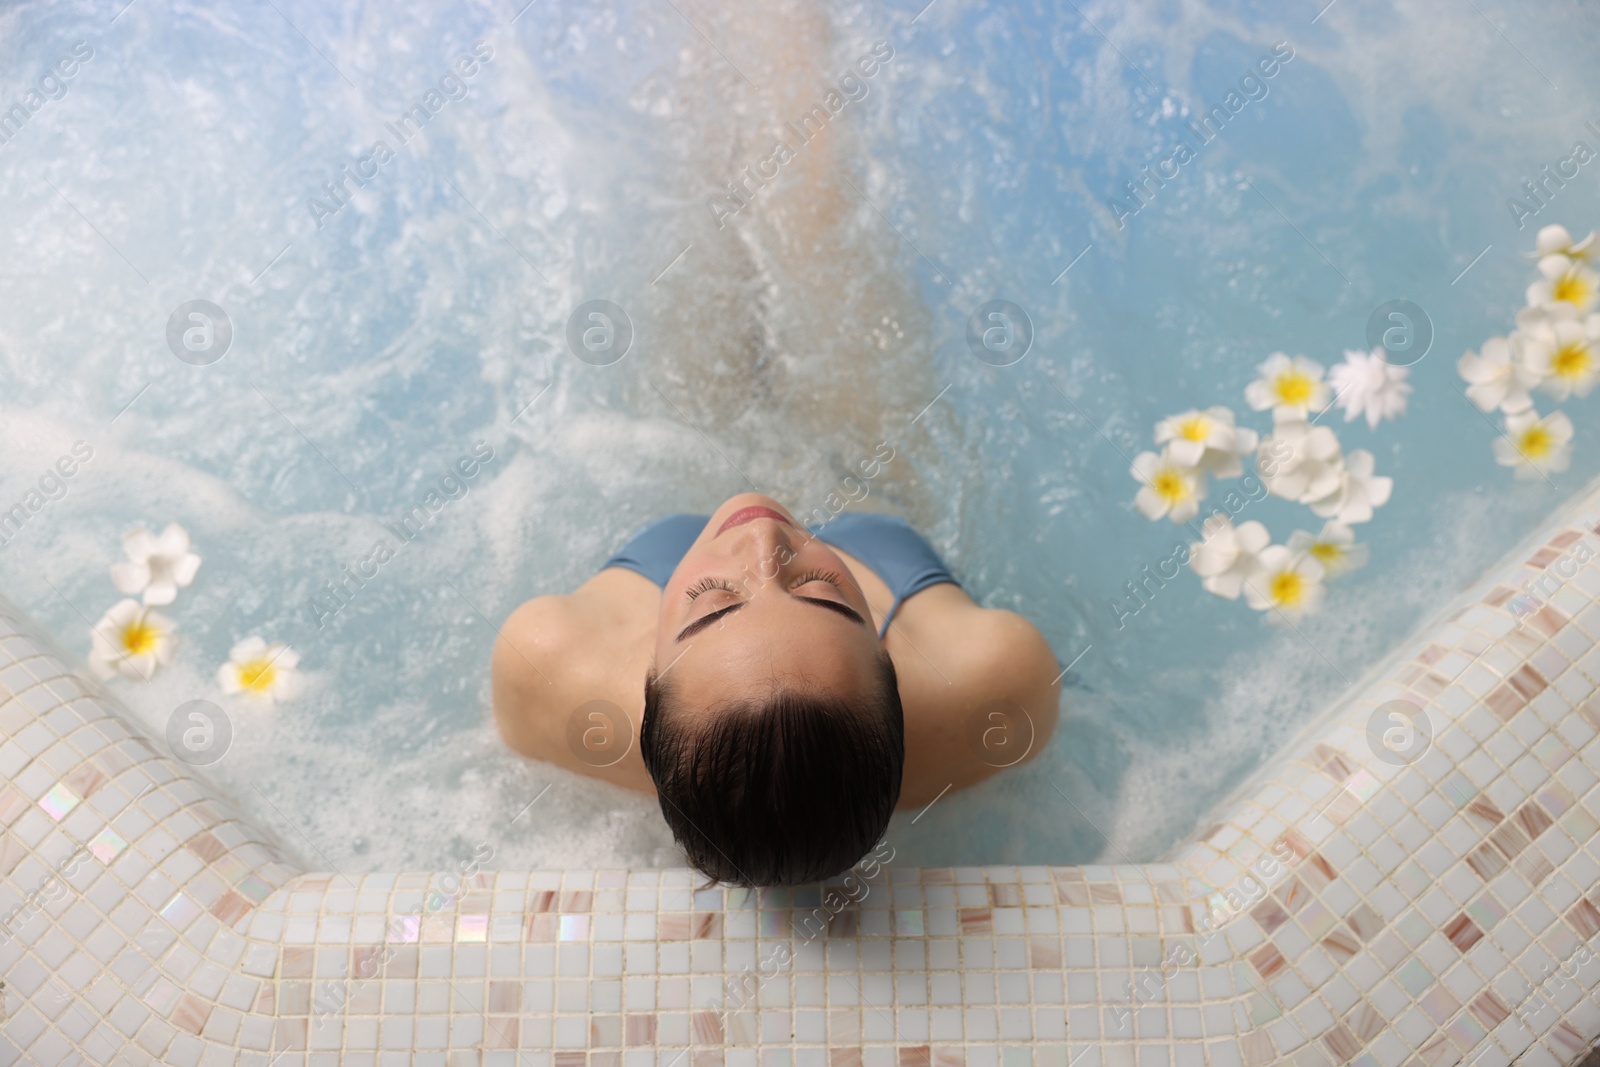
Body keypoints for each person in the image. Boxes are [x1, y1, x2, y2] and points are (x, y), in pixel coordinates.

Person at [492, 492, 1061, 886]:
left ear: (647, 684)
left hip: (664, 557)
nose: (766, 542)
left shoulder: (548, 663)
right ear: (892, 664)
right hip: (884, 551)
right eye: (824, 593)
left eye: (713, 602)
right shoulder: (999, 692)